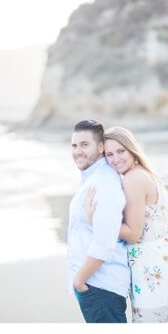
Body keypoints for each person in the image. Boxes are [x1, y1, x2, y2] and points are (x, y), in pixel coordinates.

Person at [87, 126, 168, 322]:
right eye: (109, 154)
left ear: (132, 149)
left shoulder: (133, 179)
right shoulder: (141, 172)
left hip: (151, 265)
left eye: (121, 151)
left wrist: (96, 222)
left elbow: (134, 233)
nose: (116, 158)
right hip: (163, 255)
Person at [67, 119, 128, 323]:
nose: (78, 151)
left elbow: (104, 243)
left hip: (100, 288)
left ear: (101, 147)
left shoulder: (105, 184)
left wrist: (80, 280)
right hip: (95, 286)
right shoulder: (92, 179)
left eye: (84, 145)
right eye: (74, 145)